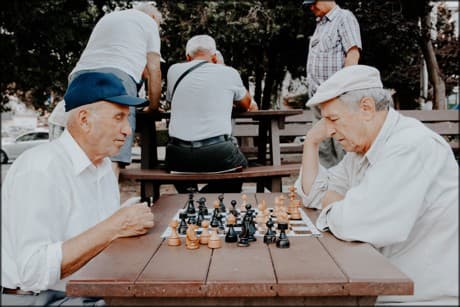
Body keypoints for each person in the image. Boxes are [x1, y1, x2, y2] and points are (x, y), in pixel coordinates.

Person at [294, 65, 458, 305]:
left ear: (366, 108)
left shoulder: (410, 146)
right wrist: (311, 142)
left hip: (420, 296)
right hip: (381, 284)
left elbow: (356, 222)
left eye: (333, 119)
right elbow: (314, 196)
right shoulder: (362, 150)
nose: (328, 130)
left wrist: (343, 206)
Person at [1, 72, 155, 306]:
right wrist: (115, 226)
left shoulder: (102, 166)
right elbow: (32, 272)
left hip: (88, 290)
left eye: (127, 119)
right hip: (40, 298)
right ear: (84, 119)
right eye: (118, 117)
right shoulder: (40, 169)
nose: (127, 130)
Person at [50, 2, 163, 178]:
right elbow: (154, 68)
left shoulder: (109, 17)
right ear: (154, 18)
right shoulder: (148, 22)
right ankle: (107, 202)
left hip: (79, 76)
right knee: (113, 151)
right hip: (118, 76)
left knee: (78, 152)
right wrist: (154, 106)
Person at [165, 35, 253, 193]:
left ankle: (190, 195)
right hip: (218, 153)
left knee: (177, 166)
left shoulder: (173, 71)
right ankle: (204, 198)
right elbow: (246, 104)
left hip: (178, 155)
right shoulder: (228, 72)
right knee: (241, 166)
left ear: (187, 57)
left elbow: (173, 101)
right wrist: (223, 66)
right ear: (214, 56)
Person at [302, 0, 362, 168]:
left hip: (336, 96)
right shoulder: (320, 24)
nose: (311, 7)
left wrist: (343, 90)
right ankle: (328, 190)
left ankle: (348, 191)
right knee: (323, 148)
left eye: (313, 3)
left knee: (342, 145)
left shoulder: (344, 18)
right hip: (317, 97)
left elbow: (353, 54)